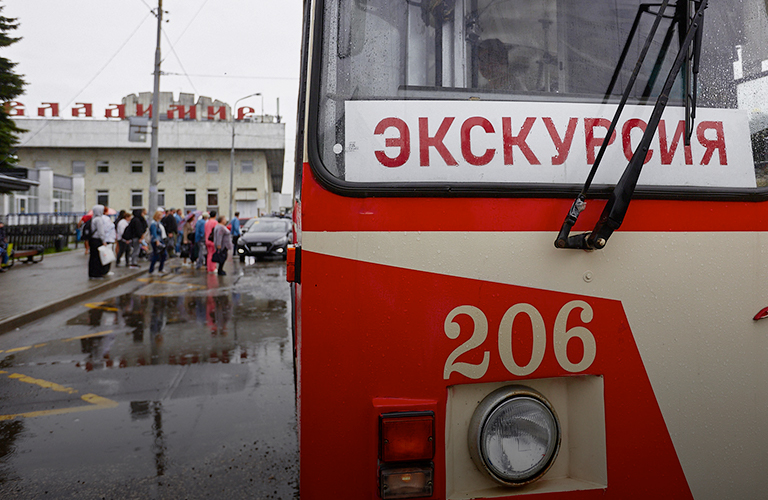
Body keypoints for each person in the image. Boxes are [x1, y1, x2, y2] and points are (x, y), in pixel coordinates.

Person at [88, 205, 107, 279]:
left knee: (92, 257)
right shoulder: (99, 219)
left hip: (92, 240)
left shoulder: (93, 218)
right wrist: (103, 241)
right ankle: (97, 273)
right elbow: (101, 231)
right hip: (97, 240)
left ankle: (92, 273)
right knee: (97, 257)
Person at [148, 210, 168, 275]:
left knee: (163, 255)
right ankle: (151, 270)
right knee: (156, 255)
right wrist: (157, 241)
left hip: (161, 240)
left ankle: (160, 268)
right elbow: (154, 233)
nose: (162, 216)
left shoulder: (159, 223)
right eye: (161, 215)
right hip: (156, 241)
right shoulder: (154, 224)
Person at [101, 205, 116, 275]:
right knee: (107, 255)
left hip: (106, 239)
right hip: (108, 239)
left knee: (104, 255)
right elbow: (107, 229)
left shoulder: (100, 218)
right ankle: (106, 270)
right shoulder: (106, 219)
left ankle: (104, 270)